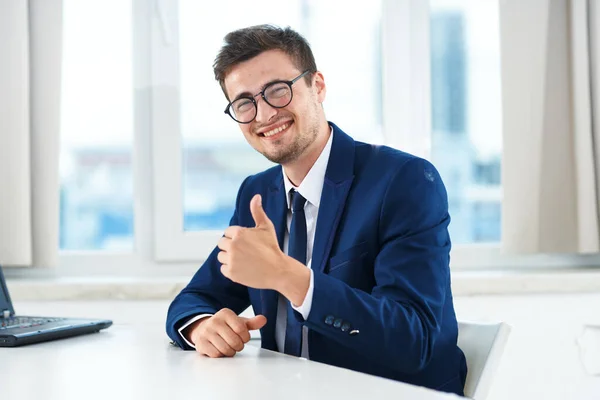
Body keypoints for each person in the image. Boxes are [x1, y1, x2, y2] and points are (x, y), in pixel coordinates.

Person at [166, 24, 467, 395]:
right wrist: (201, 326)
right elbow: (194, 299)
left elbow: (414, 340)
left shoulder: (404, 181)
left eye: (277, 90)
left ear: (317, 86)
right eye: (244, 102)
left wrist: (288, 276)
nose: (263, 114)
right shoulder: (258, 193)